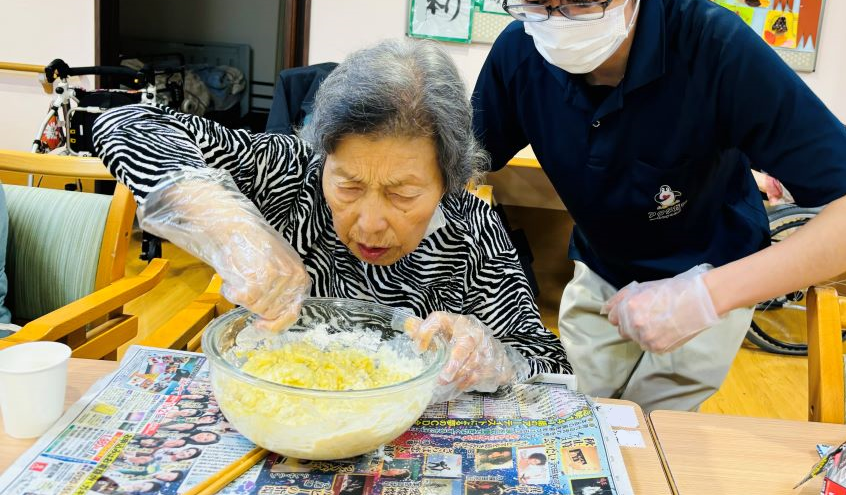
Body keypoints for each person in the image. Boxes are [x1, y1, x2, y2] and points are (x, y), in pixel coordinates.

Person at [472, 0, 846, 413]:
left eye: (584, 1)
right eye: (535, 1)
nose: (555, 24)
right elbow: (456, 164)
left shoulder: (716, 49)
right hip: (602, 271)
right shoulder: (522, 51)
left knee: (657, 437)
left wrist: (705, 297)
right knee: (572, 419)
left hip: (711, 277)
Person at [93, 39, 568, 401]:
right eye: (348, 186)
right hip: (277, 411)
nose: (370, 224)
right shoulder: (291, 174)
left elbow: (549, 363)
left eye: (402, 194)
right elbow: (122, 123)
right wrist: (230, 226)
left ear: (449, 178)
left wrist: (491, 358)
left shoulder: (475, 235)